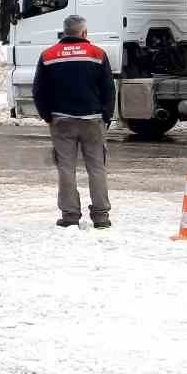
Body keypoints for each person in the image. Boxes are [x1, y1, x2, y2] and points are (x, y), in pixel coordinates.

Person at [32, 14, 117, 229]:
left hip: (61, 121)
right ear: (84, 33)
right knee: (97, 168)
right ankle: (101, 217)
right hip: (93, 120)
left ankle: (70, 216)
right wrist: (106, 116)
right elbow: (109, 89)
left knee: (66, 168)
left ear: (64, 32)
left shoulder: (48, 55)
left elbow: (39, 90)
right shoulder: (97, 54)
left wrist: (46, 115)